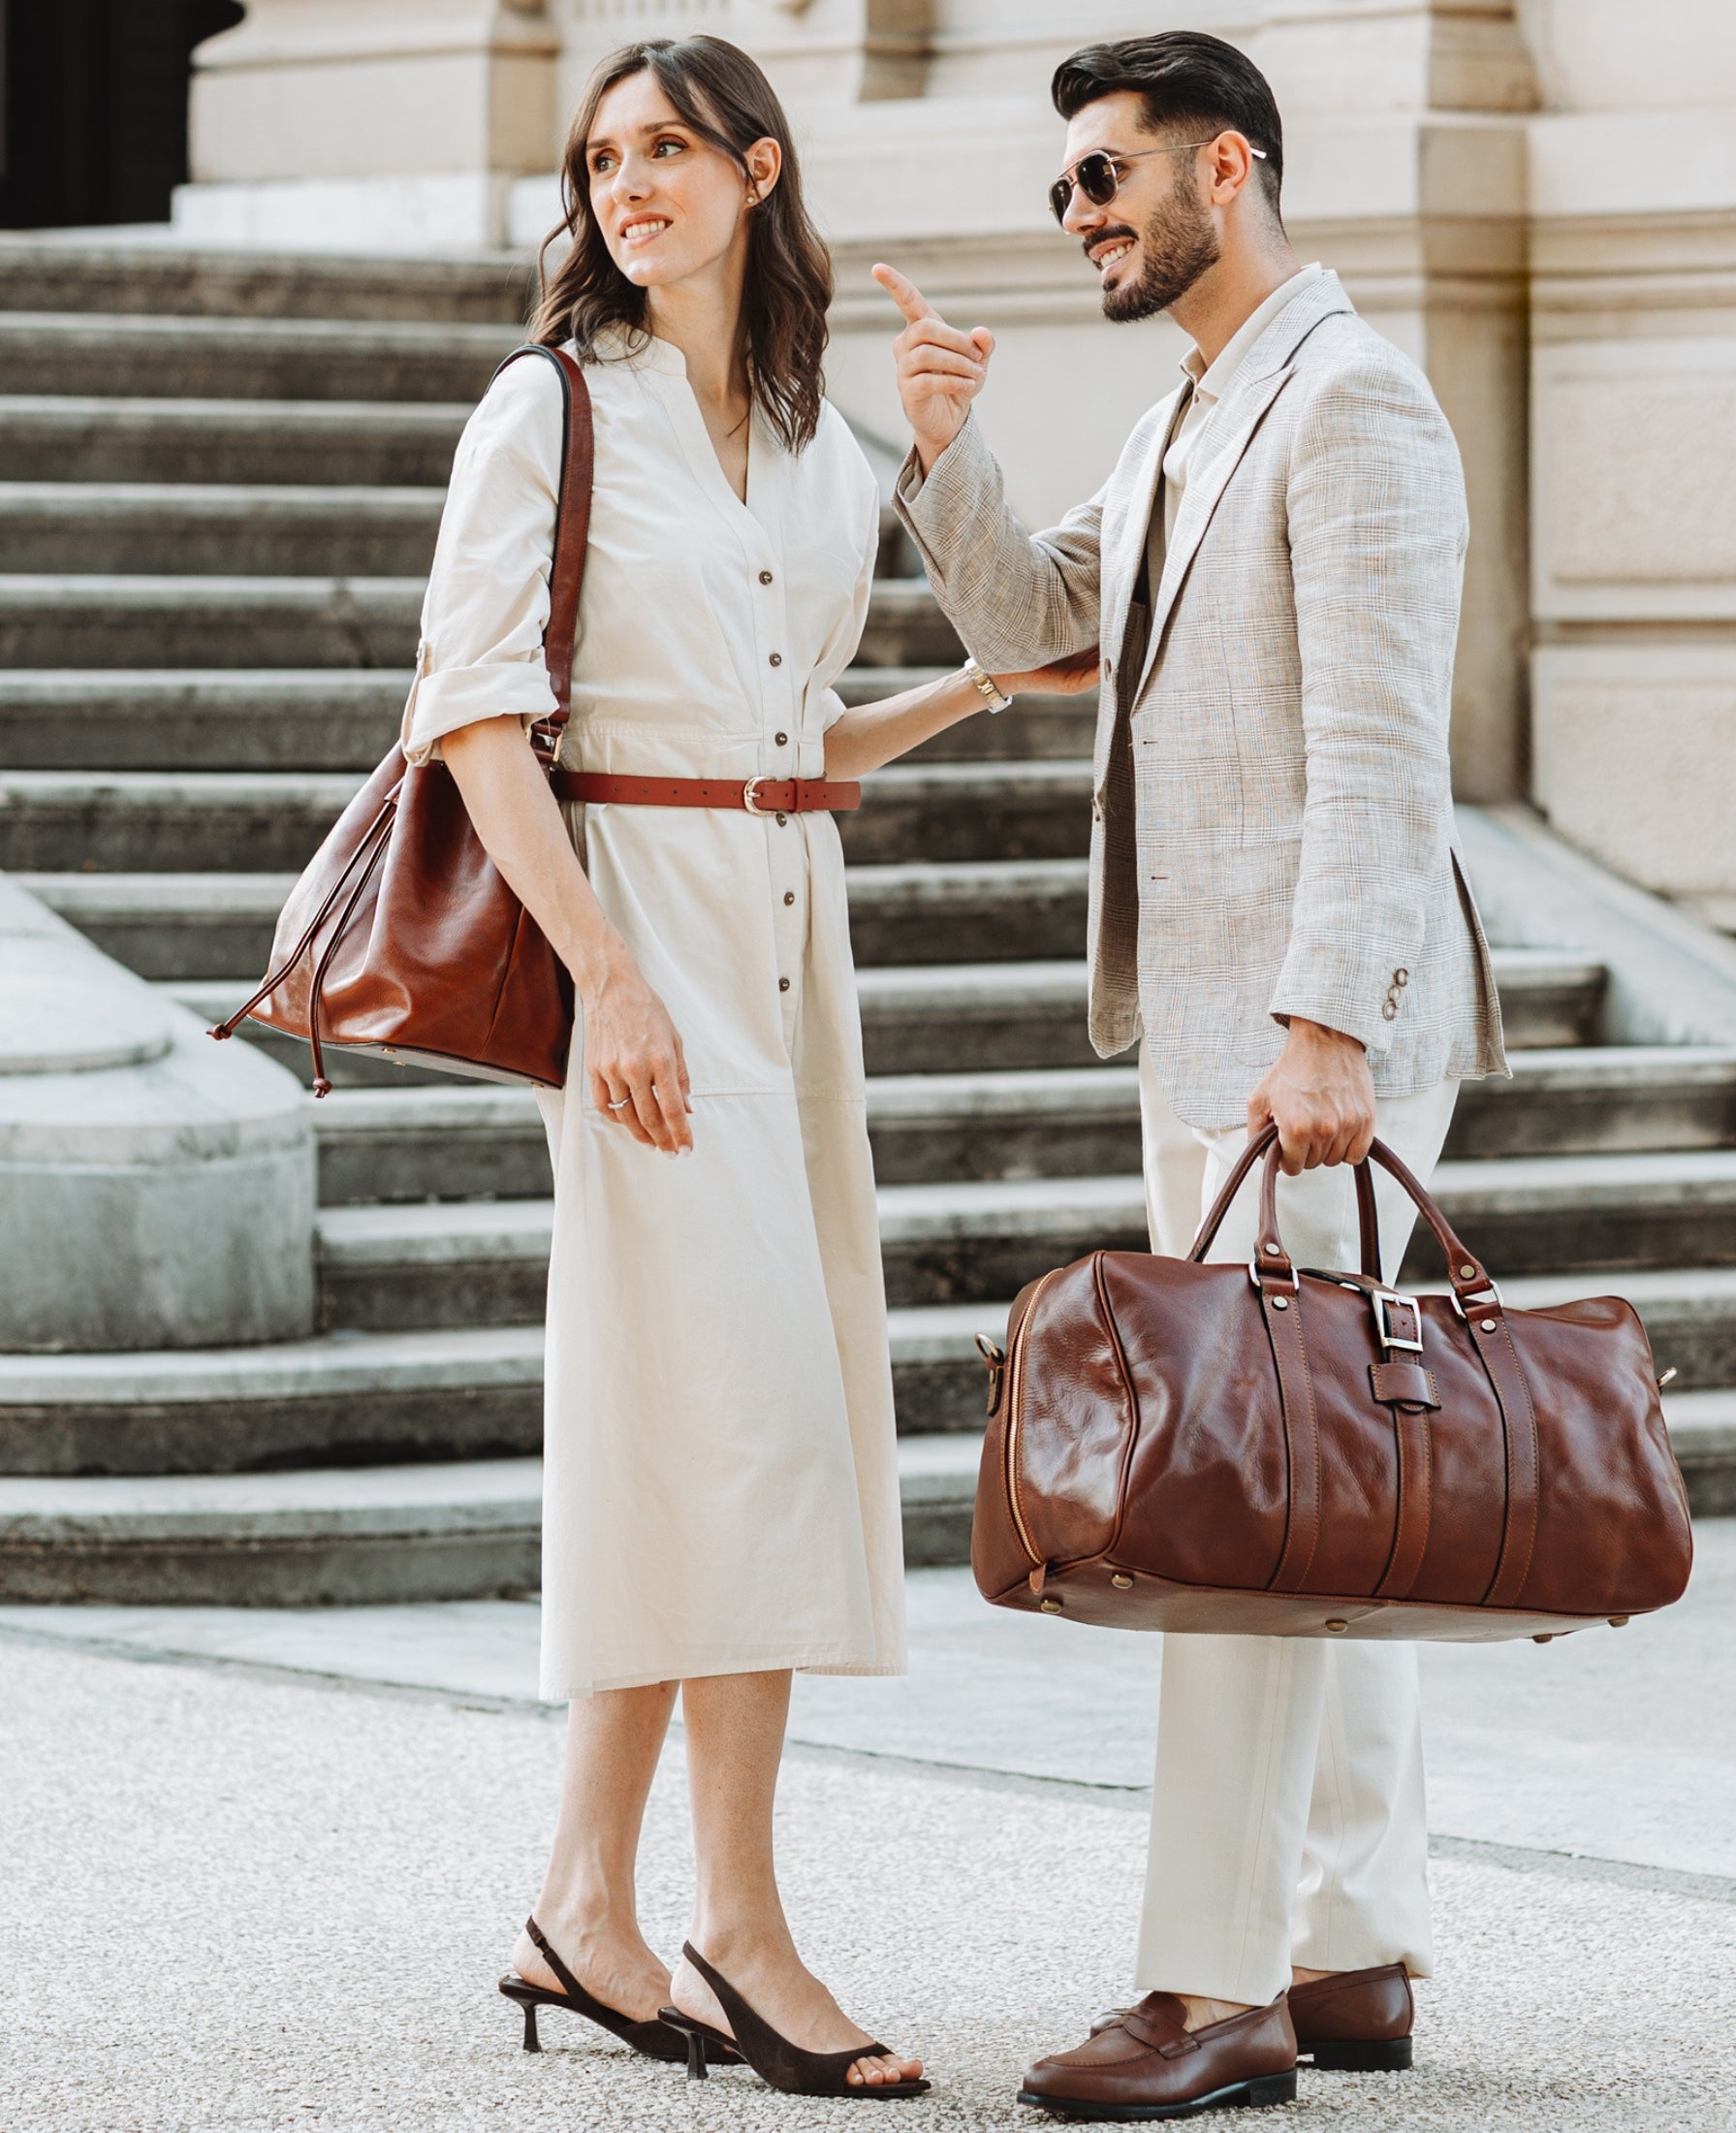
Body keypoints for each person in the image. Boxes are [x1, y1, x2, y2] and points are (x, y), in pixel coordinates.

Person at [411, 32, 1087, 2100]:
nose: (630, 186)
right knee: (766, 1432)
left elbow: (793, 739)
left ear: (756, 168)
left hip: (793, 945)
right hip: (645, 948)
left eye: (670, 151)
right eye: (604, 157)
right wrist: (604, 977)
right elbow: (475, 720)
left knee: (683, 1433)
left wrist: (973, 675)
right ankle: (740, 1920)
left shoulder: (805, 431)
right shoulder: (548, 407)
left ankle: (580, 1905)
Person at [878, 27, 1507, 2119]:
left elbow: (1383, 747)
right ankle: (1349, 1945)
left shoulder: (1352, 398)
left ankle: (1209, 1980)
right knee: (1320, 1467)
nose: (1080, 213)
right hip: (1235, 1036)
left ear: (1226, 167)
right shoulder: (1188, 408)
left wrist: (1327, 1018)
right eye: (1065, 185)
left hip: (1298, 1042)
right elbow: (1042, 618)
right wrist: (947, 449)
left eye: (1107, 174)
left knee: (1235, 1495)